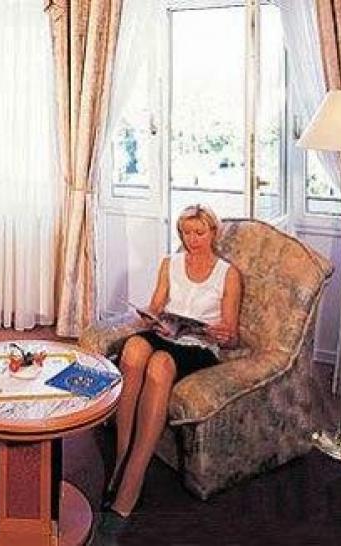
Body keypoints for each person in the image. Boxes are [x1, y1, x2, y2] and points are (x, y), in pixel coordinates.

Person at [104, 204, 242, 518]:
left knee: (160, 364)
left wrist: (223, 334)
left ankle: (133, 478)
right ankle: (121, 458)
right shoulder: (170, 263)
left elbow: (232, 337)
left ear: (213, 232)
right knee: (134, 349)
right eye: (186, 233)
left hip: (198, 345)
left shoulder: (228, 274)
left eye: (199, 233)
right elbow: (156, 306)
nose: (192, 239)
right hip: (167, 333)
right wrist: (150, 318)